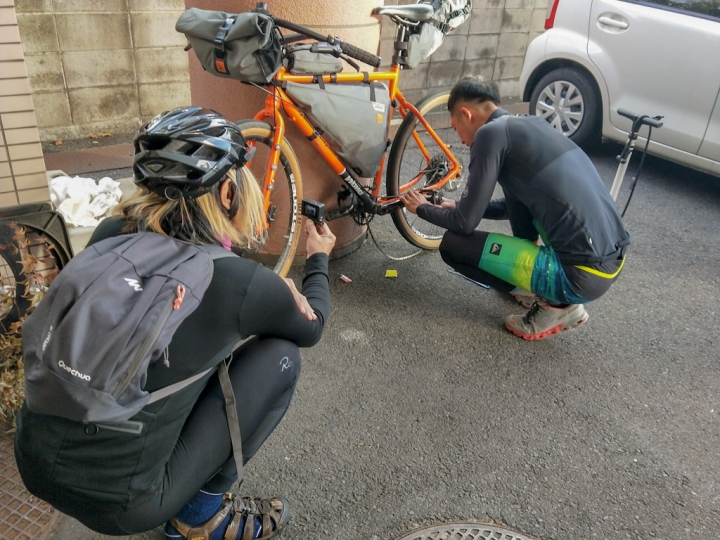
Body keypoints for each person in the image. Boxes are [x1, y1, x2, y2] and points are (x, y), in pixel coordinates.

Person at [14, 107, 336, 539]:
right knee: (281, 357)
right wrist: (318, 260)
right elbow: (312, 328)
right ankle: (198, 517)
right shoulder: (240, 283)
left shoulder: (110, 235)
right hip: (124, 504)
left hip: (34, 463)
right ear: (227, 193)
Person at [400, 76, 629, 340]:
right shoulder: (528, 125)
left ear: (466, 114)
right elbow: (513, 206)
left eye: (455, 126)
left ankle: (555, 305)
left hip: (577, 275)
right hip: (609, 264)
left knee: (453, 245)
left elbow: (464, 223)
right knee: (519, 201)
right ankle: (536, 288)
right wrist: (457, 205)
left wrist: (421, 209)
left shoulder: (488, 134)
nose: (460, 140)